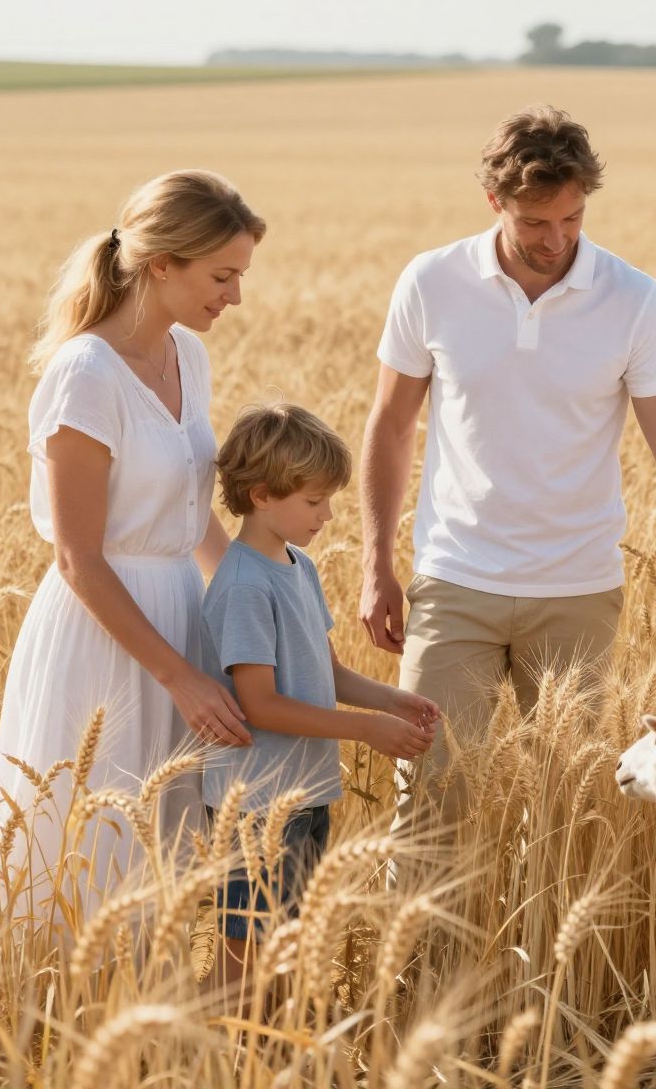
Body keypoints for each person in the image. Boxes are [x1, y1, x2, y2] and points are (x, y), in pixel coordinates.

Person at [358, 106, 656, 834]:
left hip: (577, 591)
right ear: (495, 202)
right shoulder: (432, 281)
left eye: (572, 219)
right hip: (455, 580)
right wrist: (376, 561)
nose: (556, 241)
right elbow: (390, 425)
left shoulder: (632, 298)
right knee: (429, 808)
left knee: (563, 817)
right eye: (534, 223)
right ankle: (430, 958)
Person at [0, 170, 262, 922]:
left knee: (163, 871)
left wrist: (253, 603)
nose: (234, 297)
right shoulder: (86, 374)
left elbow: (189, 509)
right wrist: (180, 680)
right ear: (162, 264)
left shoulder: (185, 357)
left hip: (182, 621)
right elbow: (78, 559)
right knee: (90, 861)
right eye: (222, 276)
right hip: (108, 638)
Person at [200, 403, 441, 996]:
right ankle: (193, 1049)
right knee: (244, 964)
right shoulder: (244, 586)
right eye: (314, 502)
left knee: (283, 952)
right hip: (255, 805)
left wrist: (390, 700)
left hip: (304, 794)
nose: (329, 515)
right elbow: (261, 706)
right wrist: (364, 731)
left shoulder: (296, 565)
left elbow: (323, 670)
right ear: (261, 495)